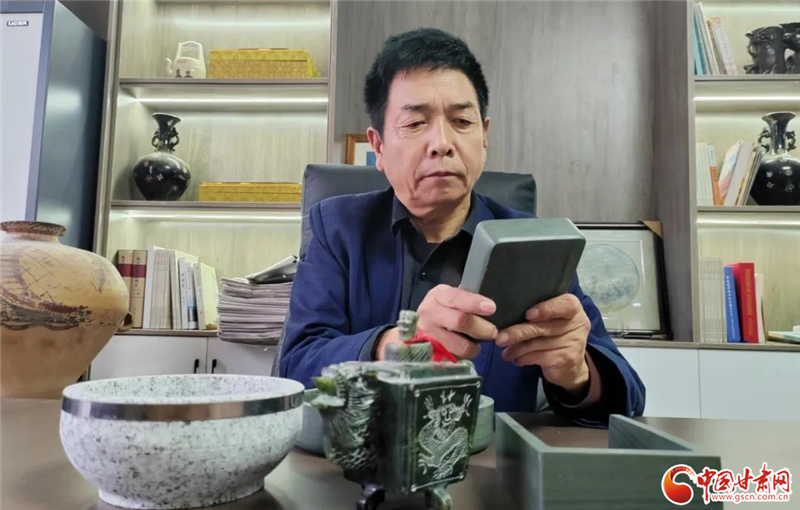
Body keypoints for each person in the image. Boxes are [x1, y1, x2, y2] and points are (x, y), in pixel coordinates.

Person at [278, 27, 645, 426]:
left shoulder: (533, 242)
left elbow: (629, 398)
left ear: (484, 135)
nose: (442, 142)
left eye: (461, 120)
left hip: (493, 457)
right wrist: (393, 345)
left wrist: (577, 374)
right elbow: (295, 369)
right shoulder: (337, 228)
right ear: (378, 146)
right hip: (366, 456)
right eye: (415, 123)